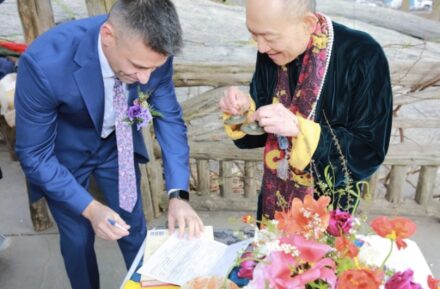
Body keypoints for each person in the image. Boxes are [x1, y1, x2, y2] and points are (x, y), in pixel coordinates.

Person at [15, 1, 203, 288]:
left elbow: (170, 121)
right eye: (138, 66)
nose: (144, 79)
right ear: (107, 36)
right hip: (63, 158)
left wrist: (178, 195)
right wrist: (90, 208)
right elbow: (34, 154)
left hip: (118, 148)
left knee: (133, 228)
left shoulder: (152, 53)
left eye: (153, 68)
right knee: (77, 240)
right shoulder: (44, 63)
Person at [219, 0, 392, 220]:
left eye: (269, 37)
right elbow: (256, 135)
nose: (261, 47)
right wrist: (244, 112)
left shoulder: (362, 54)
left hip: (331, 211)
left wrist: (300, 130)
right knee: (270, 251)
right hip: (275, 200)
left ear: (308, 23)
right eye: (254, 35)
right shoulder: (271, 50)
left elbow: (368, 153)